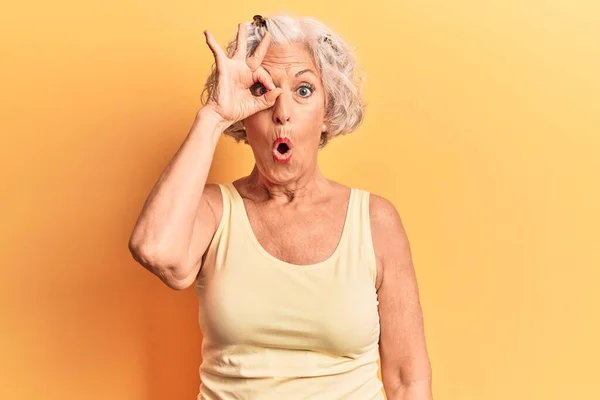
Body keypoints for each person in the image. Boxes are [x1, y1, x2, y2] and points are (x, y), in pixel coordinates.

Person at [129, 13, 433, 400]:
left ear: (327, 113)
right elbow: (155, 251)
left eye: (304, 90)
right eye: (263, 90)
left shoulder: (375, 221)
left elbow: (408, 379)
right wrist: (215, 116)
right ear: (246, 115)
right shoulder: (214, 211)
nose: (282, 111)